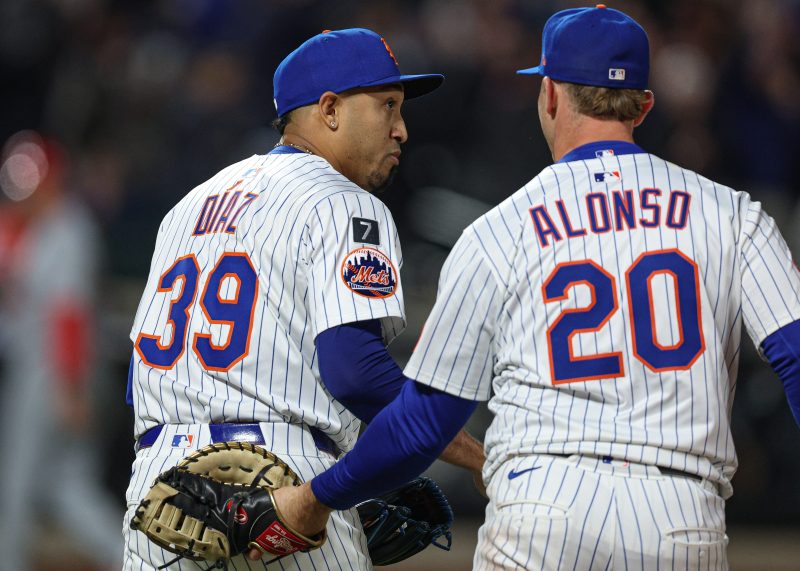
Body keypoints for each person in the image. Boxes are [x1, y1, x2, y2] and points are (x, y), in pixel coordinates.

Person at [269, 6, 800, 570]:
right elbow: (793, 357)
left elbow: (424, 421)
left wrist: (316, 498)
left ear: (549, 95)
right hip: (680, 514)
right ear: (644, 104)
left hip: (542, 510)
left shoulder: (499, 231)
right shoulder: (734, 217)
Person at [124, 28, 485, 570]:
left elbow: (138, 381)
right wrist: (475, 457)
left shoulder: (187, 208)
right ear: (330, 109)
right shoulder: (344, 203)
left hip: (164, 496)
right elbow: (358, 374)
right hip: (281, 488)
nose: (402, 129)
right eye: (387, 105)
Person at [0, 132, 123, 570]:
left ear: (52, 180)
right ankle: (131, 559)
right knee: (66, 485)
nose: (24, 194)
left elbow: (69, 315)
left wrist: (69, 389)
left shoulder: (69, 230)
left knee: (16, 484)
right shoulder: (38, 228)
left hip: (55, 371)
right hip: (49, 368)